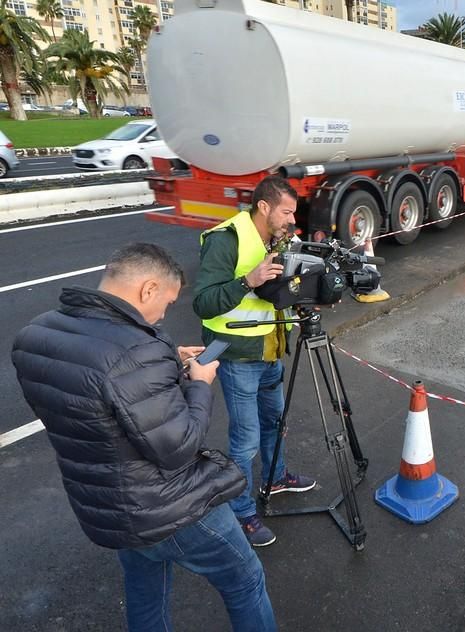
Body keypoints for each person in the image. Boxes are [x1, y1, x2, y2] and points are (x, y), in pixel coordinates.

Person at [11, 243, 277, 632]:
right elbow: (179, 447)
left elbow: (97, 396)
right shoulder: (137, 351)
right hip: (169, 507)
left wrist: (167, 359)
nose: (165, 313)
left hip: (106, 507)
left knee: (145, 589)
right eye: (167, 302)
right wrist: (199, 384)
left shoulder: (36, 334)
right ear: (148, 289)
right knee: (246, 581)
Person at [194, 176, 316, 547]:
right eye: (286, 211)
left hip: (271, 350)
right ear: (263, 207)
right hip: (237, 356)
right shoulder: (225, 239)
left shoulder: (277, 238)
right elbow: (203, 302)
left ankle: (275, 477)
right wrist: (248, 280)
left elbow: (281, 291)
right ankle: (242, 513)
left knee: (275, 422)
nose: (292, 219)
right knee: (244, 441)